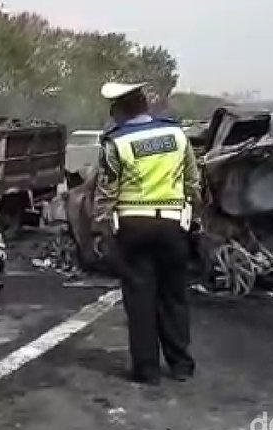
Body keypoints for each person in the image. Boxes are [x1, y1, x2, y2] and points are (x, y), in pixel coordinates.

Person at [93, 82, 202, 385]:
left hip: (133, 229)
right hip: (172, 226)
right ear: (145, 106)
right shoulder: (176, 134)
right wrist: (194, 220)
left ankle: (147, 370)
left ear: (121, 111)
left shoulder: (116, 143)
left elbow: (106, 193)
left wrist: (101, 231)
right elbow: (193, 182)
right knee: (174, 296)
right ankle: (181, 365)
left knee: (140, 299)